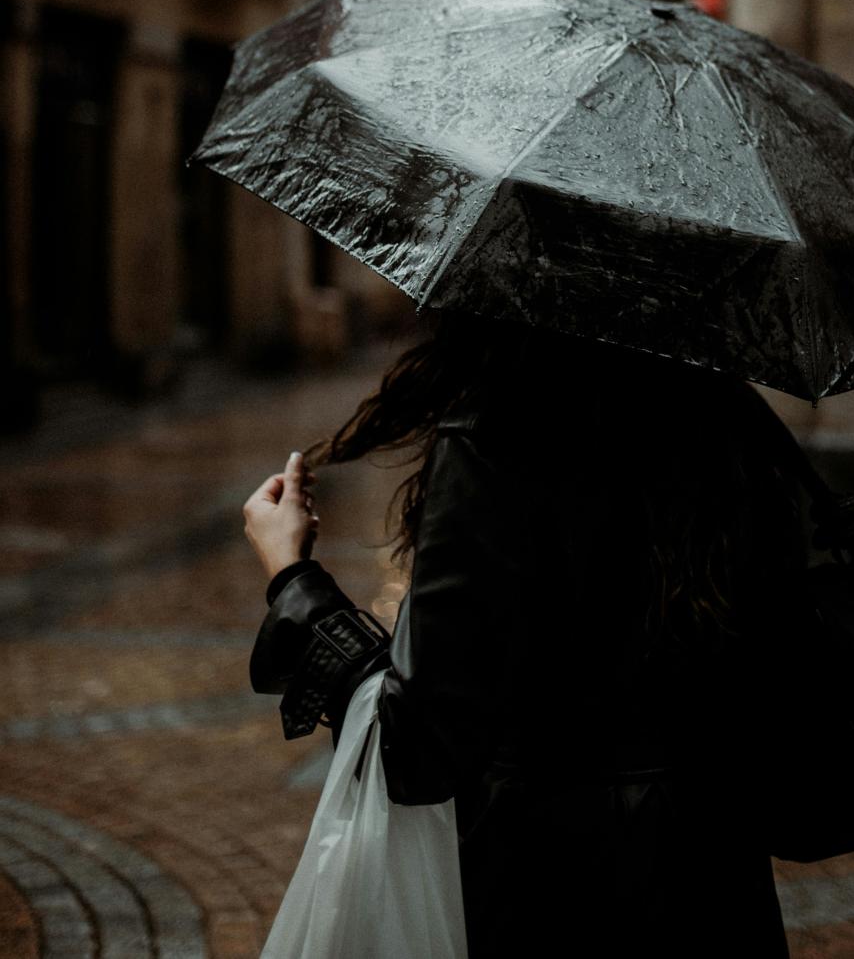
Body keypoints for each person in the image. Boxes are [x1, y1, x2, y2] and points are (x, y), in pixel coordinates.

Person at [242, 313, 807, 958]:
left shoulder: (496, 436)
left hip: (551, 887)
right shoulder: (733, 421)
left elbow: (418, 744)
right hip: (715, 880)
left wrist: (292, 576)